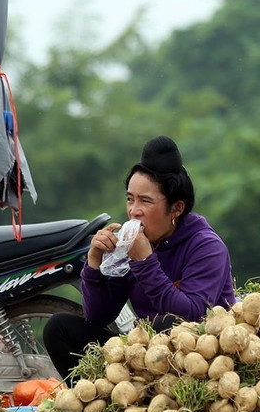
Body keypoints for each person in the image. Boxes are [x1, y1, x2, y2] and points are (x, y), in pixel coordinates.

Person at [43, 135, 235, 381]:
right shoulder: (132, 242)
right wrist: (94, 265)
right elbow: (99, 316)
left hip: (199, 361)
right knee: (59, 328)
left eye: (145, 201)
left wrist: (145, 262)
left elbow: (193, 317)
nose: (134, 211)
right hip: (142, 354)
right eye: (130, 199)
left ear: (177, 209)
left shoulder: (206, 247)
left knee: (164, 325)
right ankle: (99, 405)